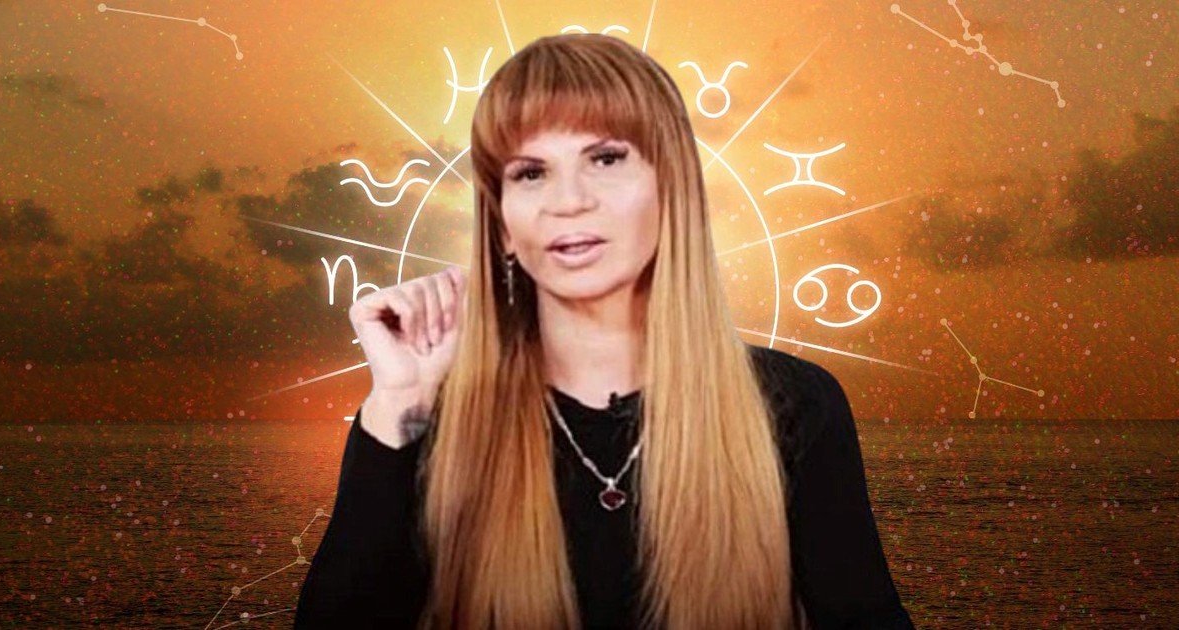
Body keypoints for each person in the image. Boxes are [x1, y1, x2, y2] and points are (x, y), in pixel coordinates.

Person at [294, 32, 914, 629]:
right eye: (530, 173)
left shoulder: (796, 405)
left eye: (606, 159)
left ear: (671, 187)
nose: (568, 200)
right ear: (502, 222)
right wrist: (401, 406)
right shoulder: (430, 415)